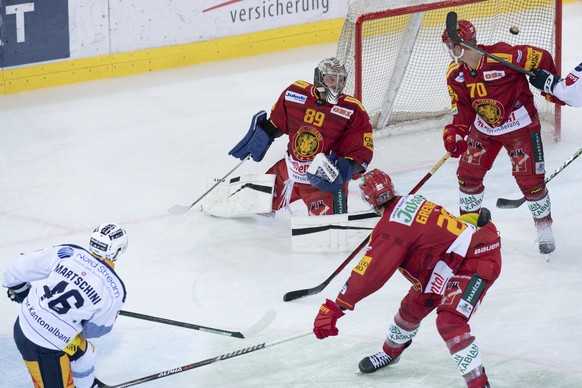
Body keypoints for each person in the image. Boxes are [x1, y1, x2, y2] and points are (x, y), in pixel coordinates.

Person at [312, 169, 501, 388]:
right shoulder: (412, 200)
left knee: (449, 321)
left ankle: (479, 384)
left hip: (476, 257)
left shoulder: (389, 231)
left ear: (367, 200)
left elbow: (371, 272)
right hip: (445, 263)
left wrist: (337, 307)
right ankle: (390, 353)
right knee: (410, 310)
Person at [441, 19, 563, 254]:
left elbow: (542, 56)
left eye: (450, 45)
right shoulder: (455, 74)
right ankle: (468, 228)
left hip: (519, 125)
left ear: (460, 45)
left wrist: (550, 87)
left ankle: (544, 229)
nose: (449, 50)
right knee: (467, 176)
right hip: (484, 128)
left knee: (530, 181)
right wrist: (455, 132)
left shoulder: (504, 55)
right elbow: (463, 109)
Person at [228, 57, 374, 216]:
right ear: (319, 78)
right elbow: (278, 123)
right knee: (252, 208)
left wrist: (343, 171)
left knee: (326, 235)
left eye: (340, 80)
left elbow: (361, 152)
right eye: (331, 79)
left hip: (322, 183)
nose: (336, 85)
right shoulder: (294, 93)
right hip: (288, 171)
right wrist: (263, 136)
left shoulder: (352, 110)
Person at [2, 223, 129, 388]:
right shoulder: (115, 290)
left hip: (25, 322)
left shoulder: (69, 253)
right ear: (118, 251)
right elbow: (95, 330)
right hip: (42, 347)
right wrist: (79, 316)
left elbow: (17, 268)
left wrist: (21, 291)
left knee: (85, 356)